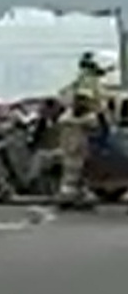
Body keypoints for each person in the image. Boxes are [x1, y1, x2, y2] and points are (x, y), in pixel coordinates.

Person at [56, 51, 108, 210]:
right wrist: (98, 119)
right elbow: (82, 102)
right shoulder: (87, 80)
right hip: (76, 125)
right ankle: (68, 195)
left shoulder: (85, 79)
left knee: (82, 160)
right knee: (75, 162)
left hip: (77, 124)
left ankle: (77, 193)